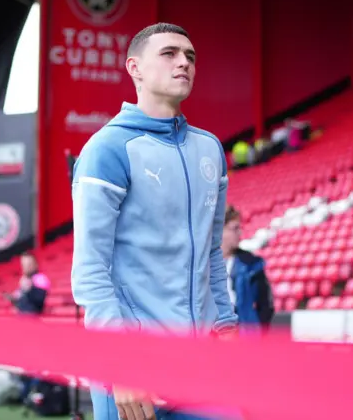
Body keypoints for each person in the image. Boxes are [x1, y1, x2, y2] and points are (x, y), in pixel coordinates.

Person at [71, 23, 238, 420]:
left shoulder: (210, 148)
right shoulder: (106, 149)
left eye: (191, 56)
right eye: (170, 53)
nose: (184, 62)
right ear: (135, 68)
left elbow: (212, 252)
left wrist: (228, 329)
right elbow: (91, 270)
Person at [222, 206, 274, 333]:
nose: (240, 233)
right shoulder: (202, 264)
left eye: (240, 228)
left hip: (243, 338)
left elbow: (266, 305)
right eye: (235, 228)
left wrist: (257, 334)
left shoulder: (252, 264)